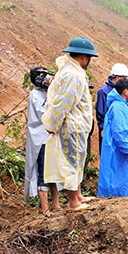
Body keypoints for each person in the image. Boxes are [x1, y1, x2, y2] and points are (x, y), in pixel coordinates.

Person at [42, 37, 99, 211]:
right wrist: (53, 124)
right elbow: (63, 103)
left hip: (77, 126)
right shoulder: (72, 75)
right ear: (83, 57)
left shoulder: (73, 72)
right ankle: (73, 202)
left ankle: (79, 196)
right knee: (71, 162)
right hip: (71, 126)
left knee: (78, 160)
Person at [24, 67, 59, 215]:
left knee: (54, 172)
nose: (46, 79)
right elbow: (44, 113)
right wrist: (47, 92)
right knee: (43, 173)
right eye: (42, 76)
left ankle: (56, 204)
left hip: (51, 138)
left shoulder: (50, 93)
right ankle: (45, 208)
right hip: (41, 139)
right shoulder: (35, 95)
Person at [97, 78, 128, 197]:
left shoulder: (122, 105)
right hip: (118, 151)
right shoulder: (118, 108)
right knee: (117, 177)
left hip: (120, 151)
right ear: (125, 91)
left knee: (120, 175)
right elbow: (119, 131)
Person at [96, 63, 128, 153]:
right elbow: (100, 112)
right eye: (124, 77)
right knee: (108, 153)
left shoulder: (125, 92)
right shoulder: (103, 92)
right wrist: (102, 127)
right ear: (118, 77)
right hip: (108, 128)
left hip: (122, 129)